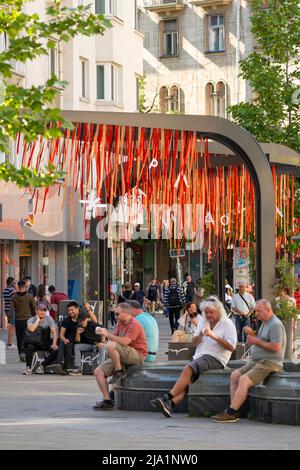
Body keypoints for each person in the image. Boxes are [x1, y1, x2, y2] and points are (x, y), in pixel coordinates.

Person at [151, 297, 237, 417]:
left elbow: (232, 347)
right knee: (189, 380)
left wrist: (214, 336)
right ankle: (170, 404)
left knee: (188, 369)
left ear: (219, 311)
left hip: (216, 357)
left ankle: (166, 397)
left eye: (211, 312)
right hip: (200, 355)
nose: (208, 315)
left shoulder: (227, 324)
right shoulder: (203, 321)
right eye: (206, 312)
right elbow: (194, 343)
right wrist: (201, 334)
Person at [213, 299, 286, 423]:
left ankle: (230, 412)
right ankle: (234, 411)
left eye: (258, 311)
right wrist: (253, 335)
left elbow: (276, 347)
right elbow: (264, 339)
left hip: (269, 362)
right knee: (234, 376)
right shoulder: (265, 322)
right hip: (257, 361)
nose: (256, 314)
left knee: (244, 380)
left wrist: (257, 341)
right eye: (255, 311)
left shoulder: (275, 324)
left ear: (268, 310)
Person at [93, 302, 147, 410]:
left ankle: (118, 371)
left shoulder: (134, 324)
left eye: (117, 314)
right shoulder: (120, 323)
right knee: (98, 372)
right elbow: (114, 339)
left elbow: (125, 342)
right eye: (114, 314)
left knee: (111, 345)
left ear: (126, 313)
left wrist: (108, 335)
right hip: (122, 353)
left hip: (137, 354)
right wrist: (104, 335)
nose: (115, 316)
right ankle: (107, 400)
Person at [22, 303, 59, 375]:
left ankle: (42, 366)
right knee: (29, 347)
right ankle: (28, 368)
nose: (42, 312)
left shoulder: (49, 318)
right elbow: (31, 329)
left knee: (55, 350)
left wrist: (54, 343)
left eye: (44, 311)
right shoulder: (31, 320)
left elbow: (54, 332)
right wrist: (38, 320)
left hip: (45, 342)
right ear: (36, 311)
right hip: (34, 342)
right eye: (40, 310)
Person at [8, 279, 36, 358]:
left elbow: (11, 309)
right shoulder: (29, 296)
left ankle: (20, 353)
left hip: (18, 320)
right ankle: (25, 352)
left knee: (19, 337)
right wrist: (35, 318)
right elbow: (34, 308)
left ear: (18, 286)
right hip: (28, 320)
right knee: (27, 337)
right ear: (25, 286)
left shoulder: (13, 297)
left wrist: (10, 320)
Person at [58, 301, 80, 373]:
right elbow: (61, 334)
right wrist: (64, 339)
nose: (70, 312)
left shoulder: (82, 319)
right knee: (65, 344)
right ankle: (64, 367)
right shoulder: (66, 320)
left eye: (72, 309)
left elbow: (94, 322)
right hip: (69, 340)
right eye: (69, 310)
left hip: (80, 340)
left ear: (77, 309)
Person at [2, 277, 16, 348]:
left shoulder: (4, 290)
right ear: (11, 283)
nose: (15, 284)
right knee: (12, 326)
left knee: (10, 326)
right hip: (11, 310)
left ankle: (9, 343)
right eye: (14, 283)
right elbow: (15, 298)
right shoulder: (11, 290)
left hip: (6, 308)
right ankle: (10, 343)